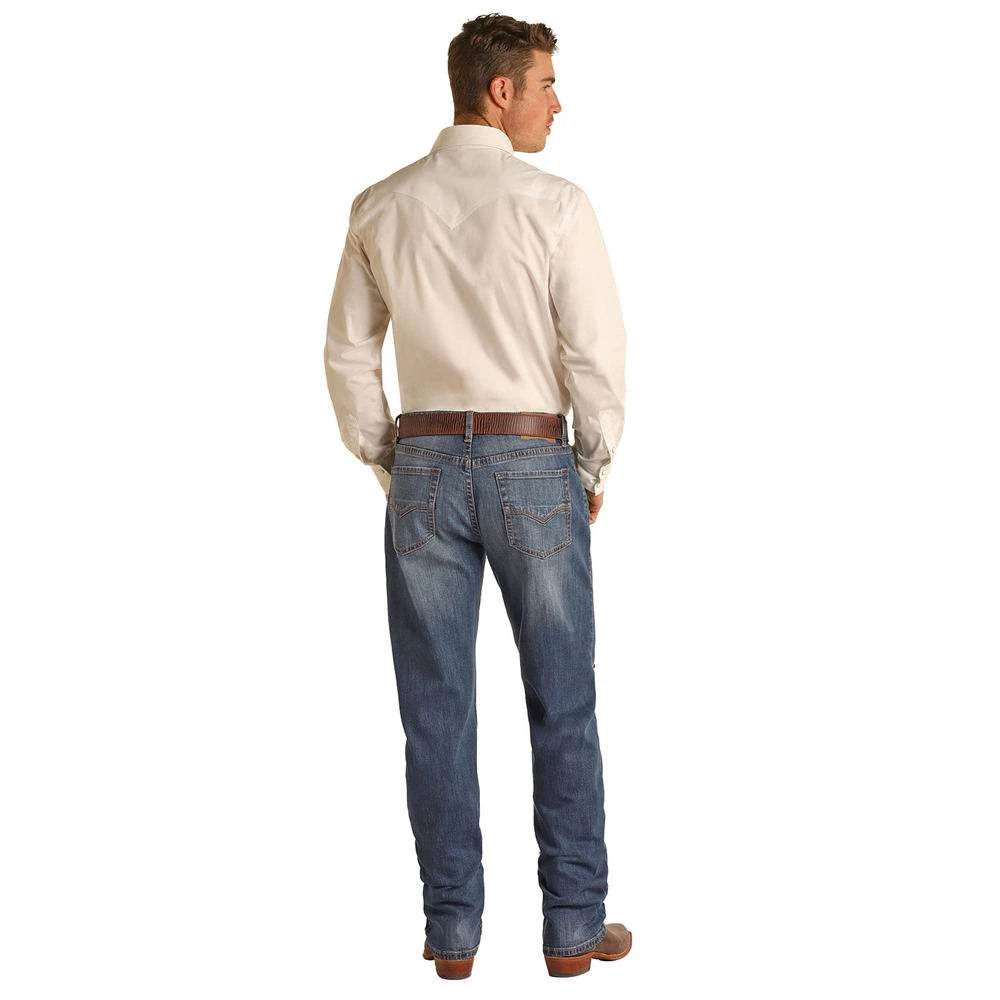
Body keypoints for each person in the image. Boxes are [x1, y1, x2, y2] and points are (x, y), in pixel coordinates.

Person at [323, 13, 631, 980]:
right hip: (531, 461)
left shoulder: (381, 204)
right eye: (546, 85)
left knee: (435, 709)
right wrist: (592, 466)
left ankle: (452, 934)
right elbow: (594, 353)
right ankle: (573, 927)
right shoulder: (556, 204)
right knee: (563, 700)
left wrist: (392, 459)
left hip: (423, 468)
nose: (557, 104)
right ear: (501, 91)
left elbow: (347, 354)